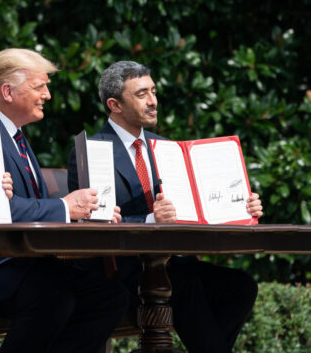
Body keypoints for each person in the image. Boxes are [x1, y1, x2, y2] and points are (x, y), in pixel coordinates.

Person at [67, 60, 263, 353]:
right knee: (185, 288)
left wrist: (241, 207)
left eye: (154, 91)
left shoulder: (168, 148)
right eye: (142, 94)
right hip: (125, 273)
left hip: (174, 264)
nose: (153, 101)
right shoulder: (92, 152)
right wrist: (149, 219)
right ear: (114, 104)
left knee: (241, 286)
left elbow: (199, 206)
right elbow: (96, 225)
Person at [0, 48, 129, 353]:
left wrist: (85, 213)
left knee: (109, 297)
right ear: (8, 91)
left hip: (21, 259)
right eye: (39, 86)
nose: (47, 95)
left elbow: (30, 207)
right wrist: (65, 207)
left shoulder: (14, 133)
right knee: (54, 297)